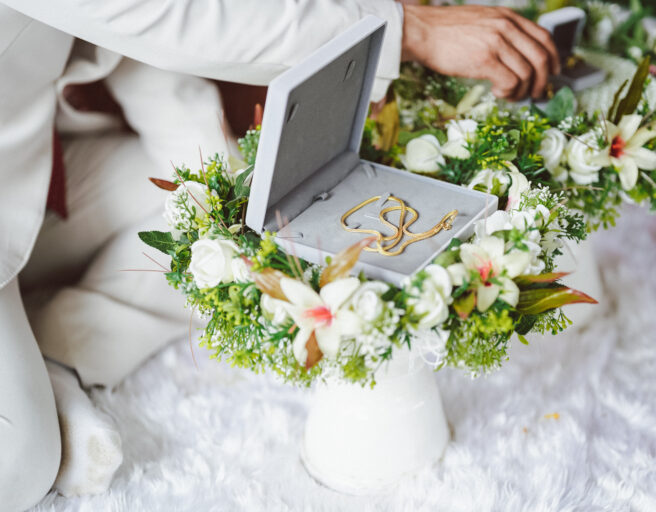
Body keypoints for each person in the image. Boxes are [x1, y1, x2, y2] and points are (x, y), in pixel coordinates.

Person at [0, 1, 558, 510]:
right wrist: (407, 27)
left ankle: (57, 355)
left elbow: (141, 56)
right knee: (22, 462)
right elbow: (164, 13)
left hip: (26, 175)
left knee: (220, 222)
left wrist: (226, 216)